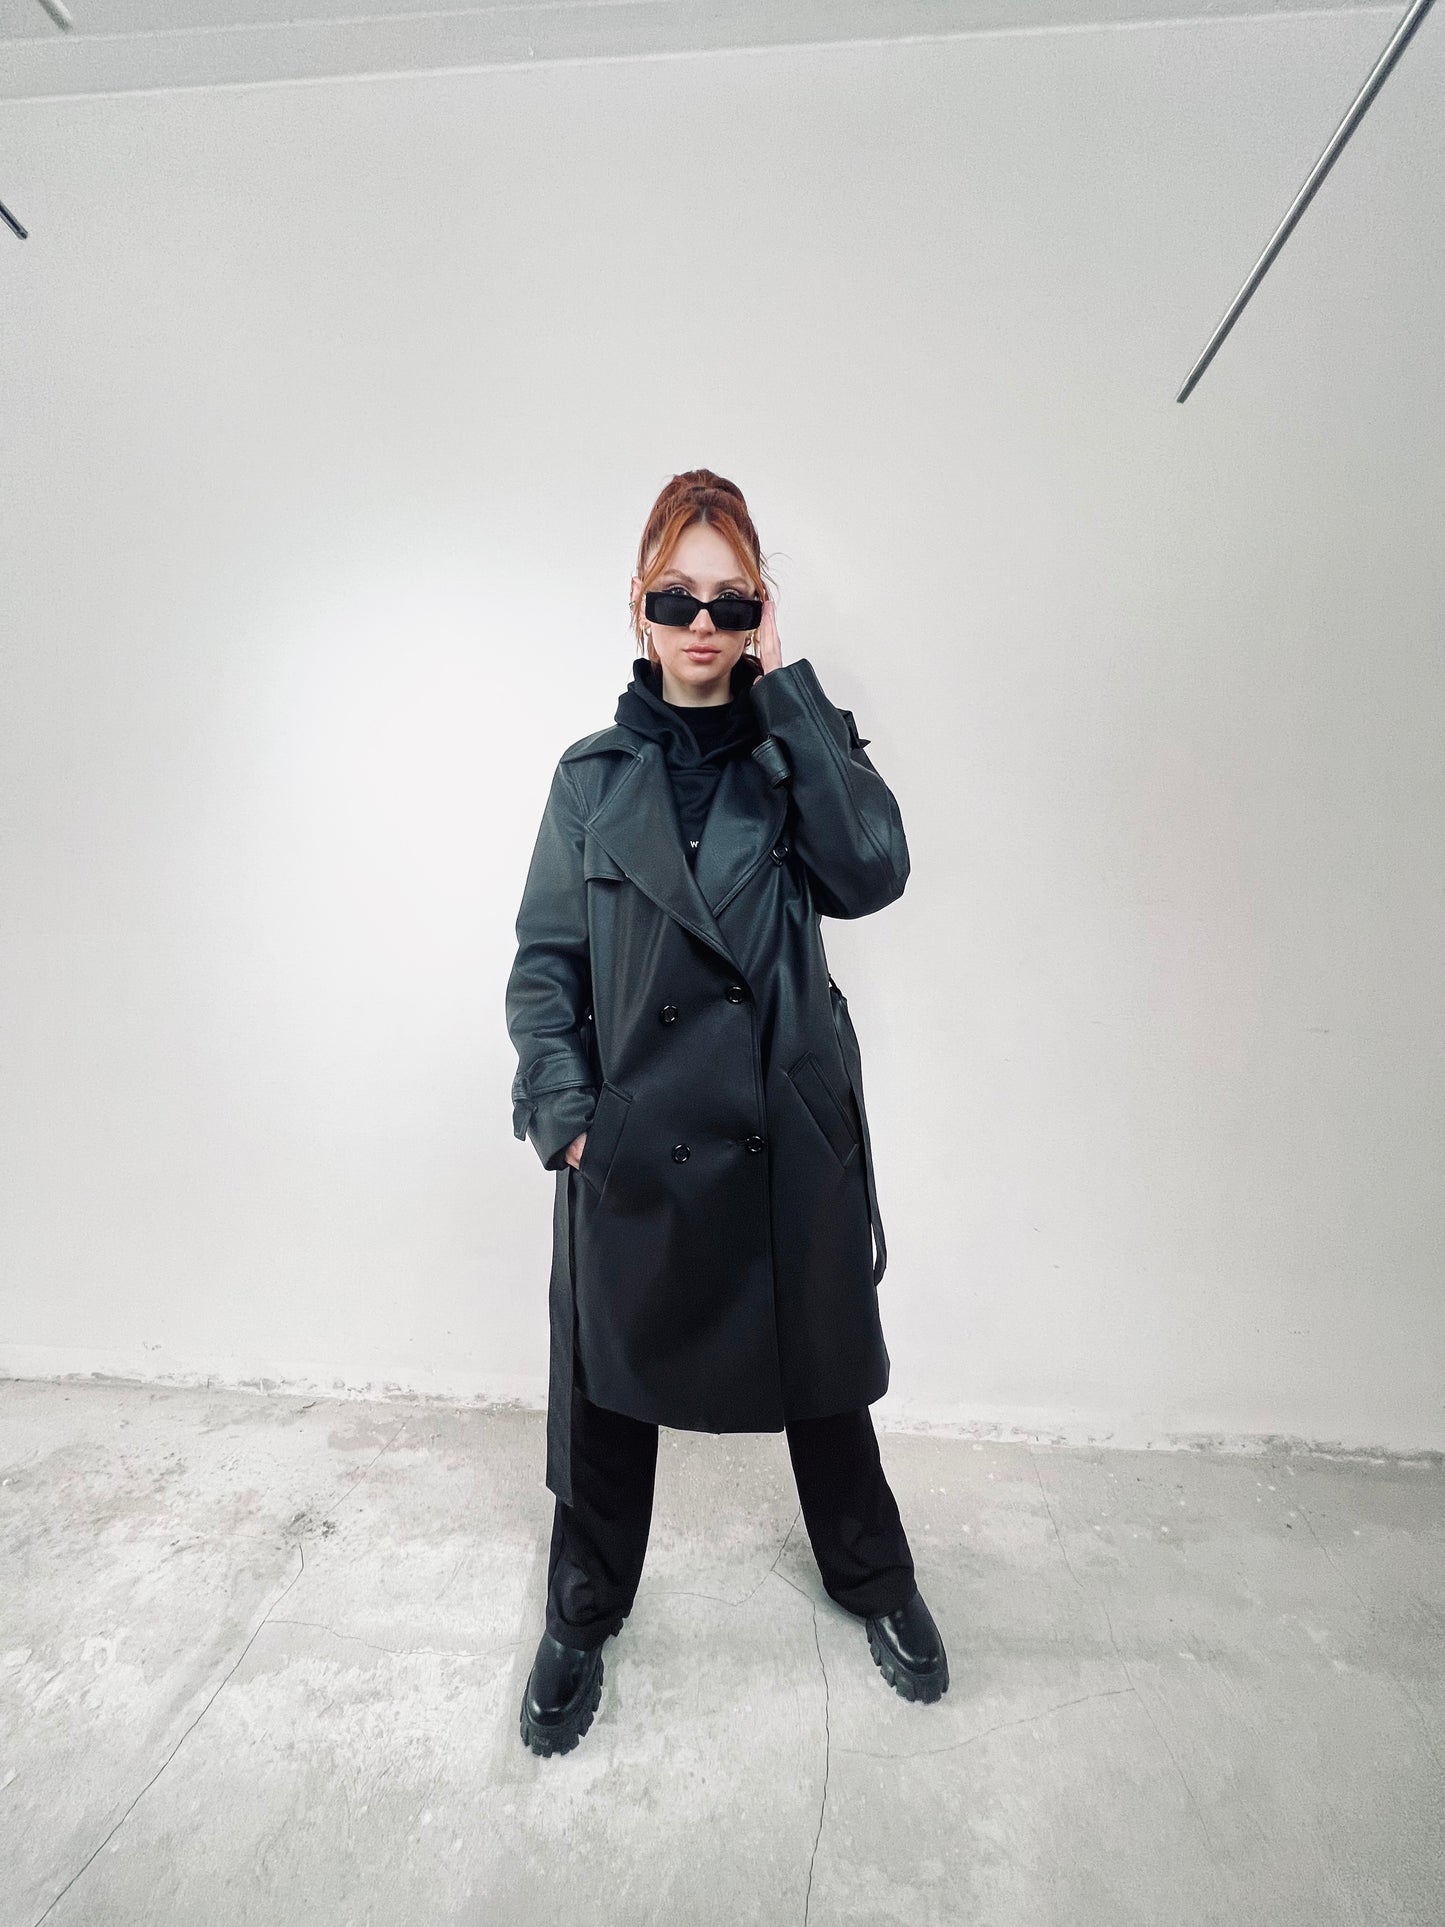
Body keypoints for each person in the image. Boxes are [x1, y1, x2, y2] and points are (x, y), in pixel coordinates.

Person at [505, 469, 948, 1756]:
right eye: (675, 597)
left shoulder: (792, 755)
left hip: (782, 1135)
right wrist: (569, 1115)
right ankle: (581, 1612)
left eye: (730, 600)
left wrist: (790, 697)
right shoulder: (588, 780)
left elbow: (873, 871)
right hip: (634, 1140)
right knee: (606, 1390)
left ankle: (872, 1574)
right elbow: (546, 966)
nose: (701, 623)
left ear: (759, 612)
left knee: (822, 1375)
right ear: (636, 607)